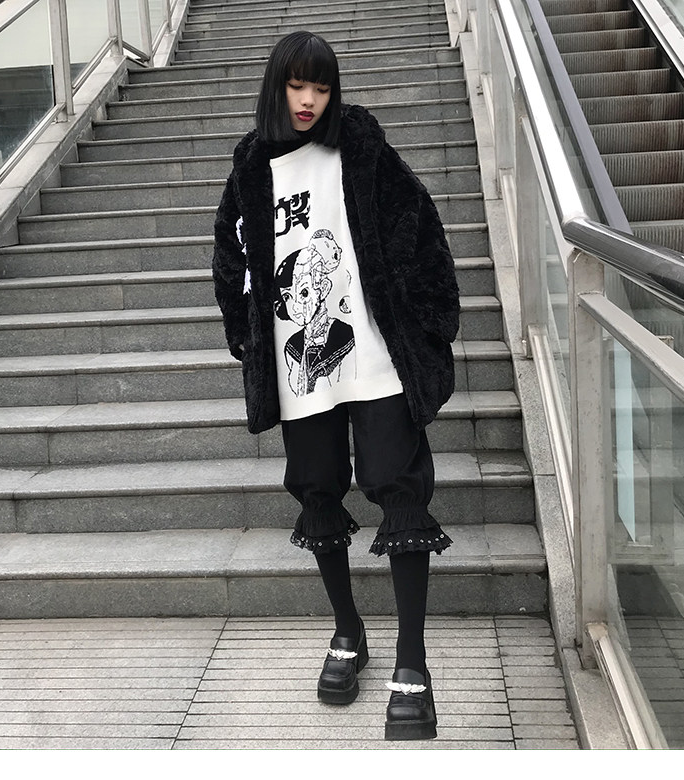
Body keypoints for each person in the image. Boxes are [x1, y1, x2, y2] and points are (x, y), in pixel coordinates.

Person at [212, 30, 460, 741]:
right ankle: (348, 631)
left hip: (376, 356)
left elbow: (421, 225)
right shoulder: (252, 165)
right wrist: (245, 332)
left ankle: (412, 663)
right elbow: (229, 256)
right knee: (318, 489)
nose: (309, 100)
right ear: (277, 86)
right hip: (300, 368)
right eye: (297, 86)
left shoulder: (360, 144)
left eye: (321, 87)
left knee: (398, 488)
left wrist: (431, 323)